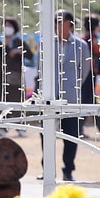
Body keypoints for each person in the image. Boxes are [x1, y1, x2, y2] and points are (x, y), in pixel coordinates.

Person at [42, 10, 90, 182]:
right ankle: (47, 169)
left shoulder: (81, 46)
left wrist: (72, 85)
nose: (57, 25)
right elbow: (41, 68)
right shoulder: (46, 44)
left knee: (71, 135)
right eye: (55, 22)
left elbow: (84, 70)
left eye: (60, 21)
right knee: (46, 134)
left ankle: (68, 169)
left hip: (70, 97)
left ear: (70, 24)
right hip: (49, 97)